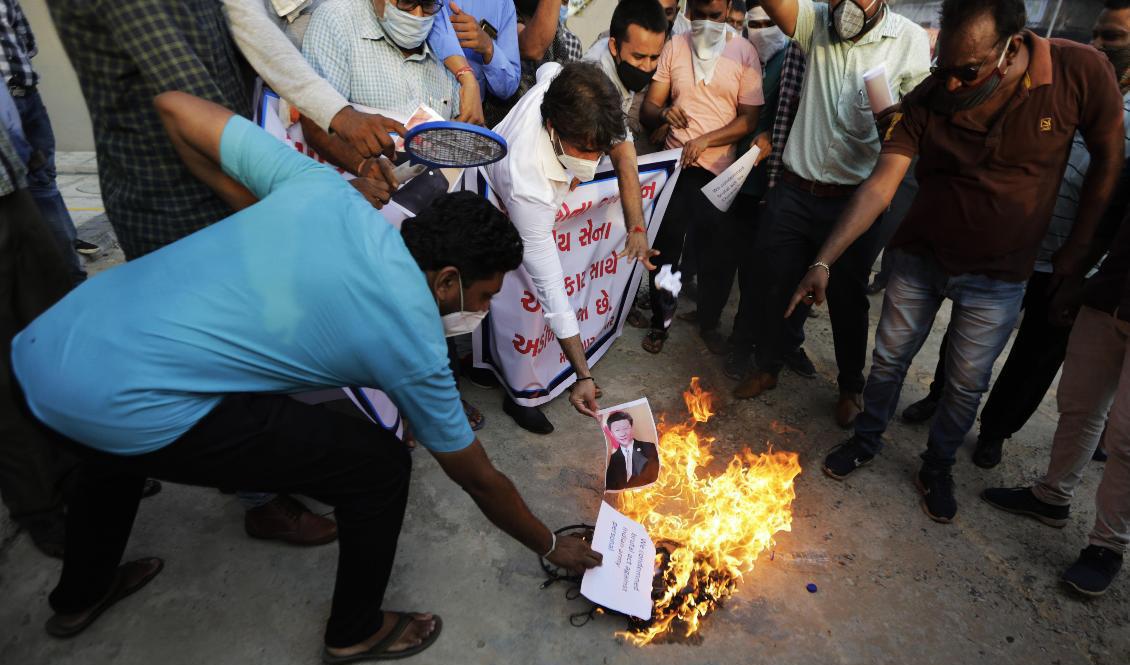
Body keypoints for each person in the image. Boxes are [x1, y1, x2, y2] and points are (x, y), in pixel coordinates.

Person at [11, 92, 602, 654]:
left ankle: (80, 596)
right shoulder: (414, 341)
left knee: (108, 434)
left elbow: (175, 108)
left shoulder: (323, 189)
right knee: (380, 467)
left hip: (48, 348)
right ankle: (355, 630)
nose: (481, 308)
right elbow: (479, 479)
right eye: (483, 293)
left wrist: (252, 206)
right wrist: (550, 543)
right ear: (446, 280)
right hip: (131, 399)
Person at [787, 0, 1125, 524]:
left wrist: (1079, 252)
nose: (950, 85)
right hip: (920, 260)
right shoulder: (930, 95)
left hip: (999, 276)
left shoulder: (1078, 70)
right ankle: (868, 439)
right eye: (943, 67)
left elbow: (1109, 155)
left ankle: (937, 465)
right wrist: (825, 260)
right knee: (890, 360)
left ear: (1011, 46)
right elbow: (881, 184)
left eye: (966, 72)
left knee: (968, 381)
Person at [48, 0, 336, 545]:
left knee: (243, 341)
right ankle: (260, 499)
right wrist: (269, 207)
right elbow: (195, 102)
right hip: (169, 195)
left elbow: (246, 38)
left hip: (212, 177)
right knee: (221, 352)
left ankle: (256, 473)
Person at [898, 1, 1130, 471]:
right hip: (1010, 241)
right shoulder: (1067, 71)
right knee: (969, 342)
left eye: (1115, 37)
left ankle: (996, 431)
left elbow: (1110, 168)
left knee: (1036, 353)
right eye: (1101, 34)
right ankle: (939, 398)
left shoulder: (1097, 84)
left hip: (1069, 251)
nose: (1101, 44)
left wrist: (1081, 253)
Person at [732, 0, 930, 432]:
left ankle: (849, 387)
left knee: (847, 298)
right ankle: (767, 366)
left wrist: (899, 120)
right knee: (775, 283)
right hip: (795, 189)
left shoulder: (910, 40)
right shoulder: (815, 22)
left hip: (854, 201)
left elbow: (924, 118)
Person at [483, 61, 657, 434]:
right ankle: (519, 391)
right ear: (552, 127)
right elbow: (552, 293)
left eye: (599, 151)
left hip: (532, 202)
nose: (593, 162)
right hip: (496, 200)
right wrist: (583, 375)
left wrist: (636, 226)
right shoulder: (527, 184)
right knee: (519, 299)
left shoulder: (571, 93)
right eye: (584, 149)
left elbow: (549, 67)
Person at [980, 192, 1130, 598]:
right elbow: (1110, 222)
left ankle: (1107, 546)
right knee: (1078, 406)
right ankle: (1051, 496)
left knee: (1126, 439)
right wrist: (1077, 281)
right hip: (1109, 295)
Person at [639, 0, 764, 355]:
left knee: (716, 254)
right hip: (677, 166)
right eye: (700, 15)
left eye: (716, 16)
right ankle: (660, 322)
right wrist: (664, 112)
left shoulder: (744, 53)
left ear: (727, 11)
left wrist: (706, 139)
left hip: (720, 173)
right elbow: (650, 107)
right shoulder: (675, 46)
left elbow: (748, 120)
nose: (708, 23)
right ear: (688, 11)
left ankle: (708, 322)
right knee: (666, 248)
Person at [726, 1, 812, 382]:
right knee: (753, 270)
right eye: (754, 23)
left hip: (780, 180)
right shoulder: (741, 54)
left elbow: (793, 114)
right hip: (744, 179)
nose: (762, 29)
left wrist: (776, 138)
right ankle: (743, 345)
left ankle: (782, 345)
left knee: (788, 275)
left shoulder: (794, 58)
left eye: (768, 22)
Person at [1, 0, 88, 281]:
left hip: (24, 98)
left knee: (37, 185)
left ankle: (64, 276)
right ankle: (60, 277)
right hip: (14, 99)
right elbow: (25, 41)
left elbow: (25, 38)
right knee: (30, 189)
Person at [583, 0, 669, 154]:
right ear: (614, 46)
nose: (647, 66)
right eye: (638, 57)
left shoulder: (619, 64)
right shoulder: (594, 83)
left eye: (655, 57)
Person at [604, 411, 660, 490]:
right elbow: (611, 486)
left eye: (625, 428)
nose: (622, 433)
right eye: (617, 430)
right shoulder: (613, 459)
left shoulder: (648, 447)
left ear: (632, 427)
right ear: (611, 433)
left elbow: (655, 476)